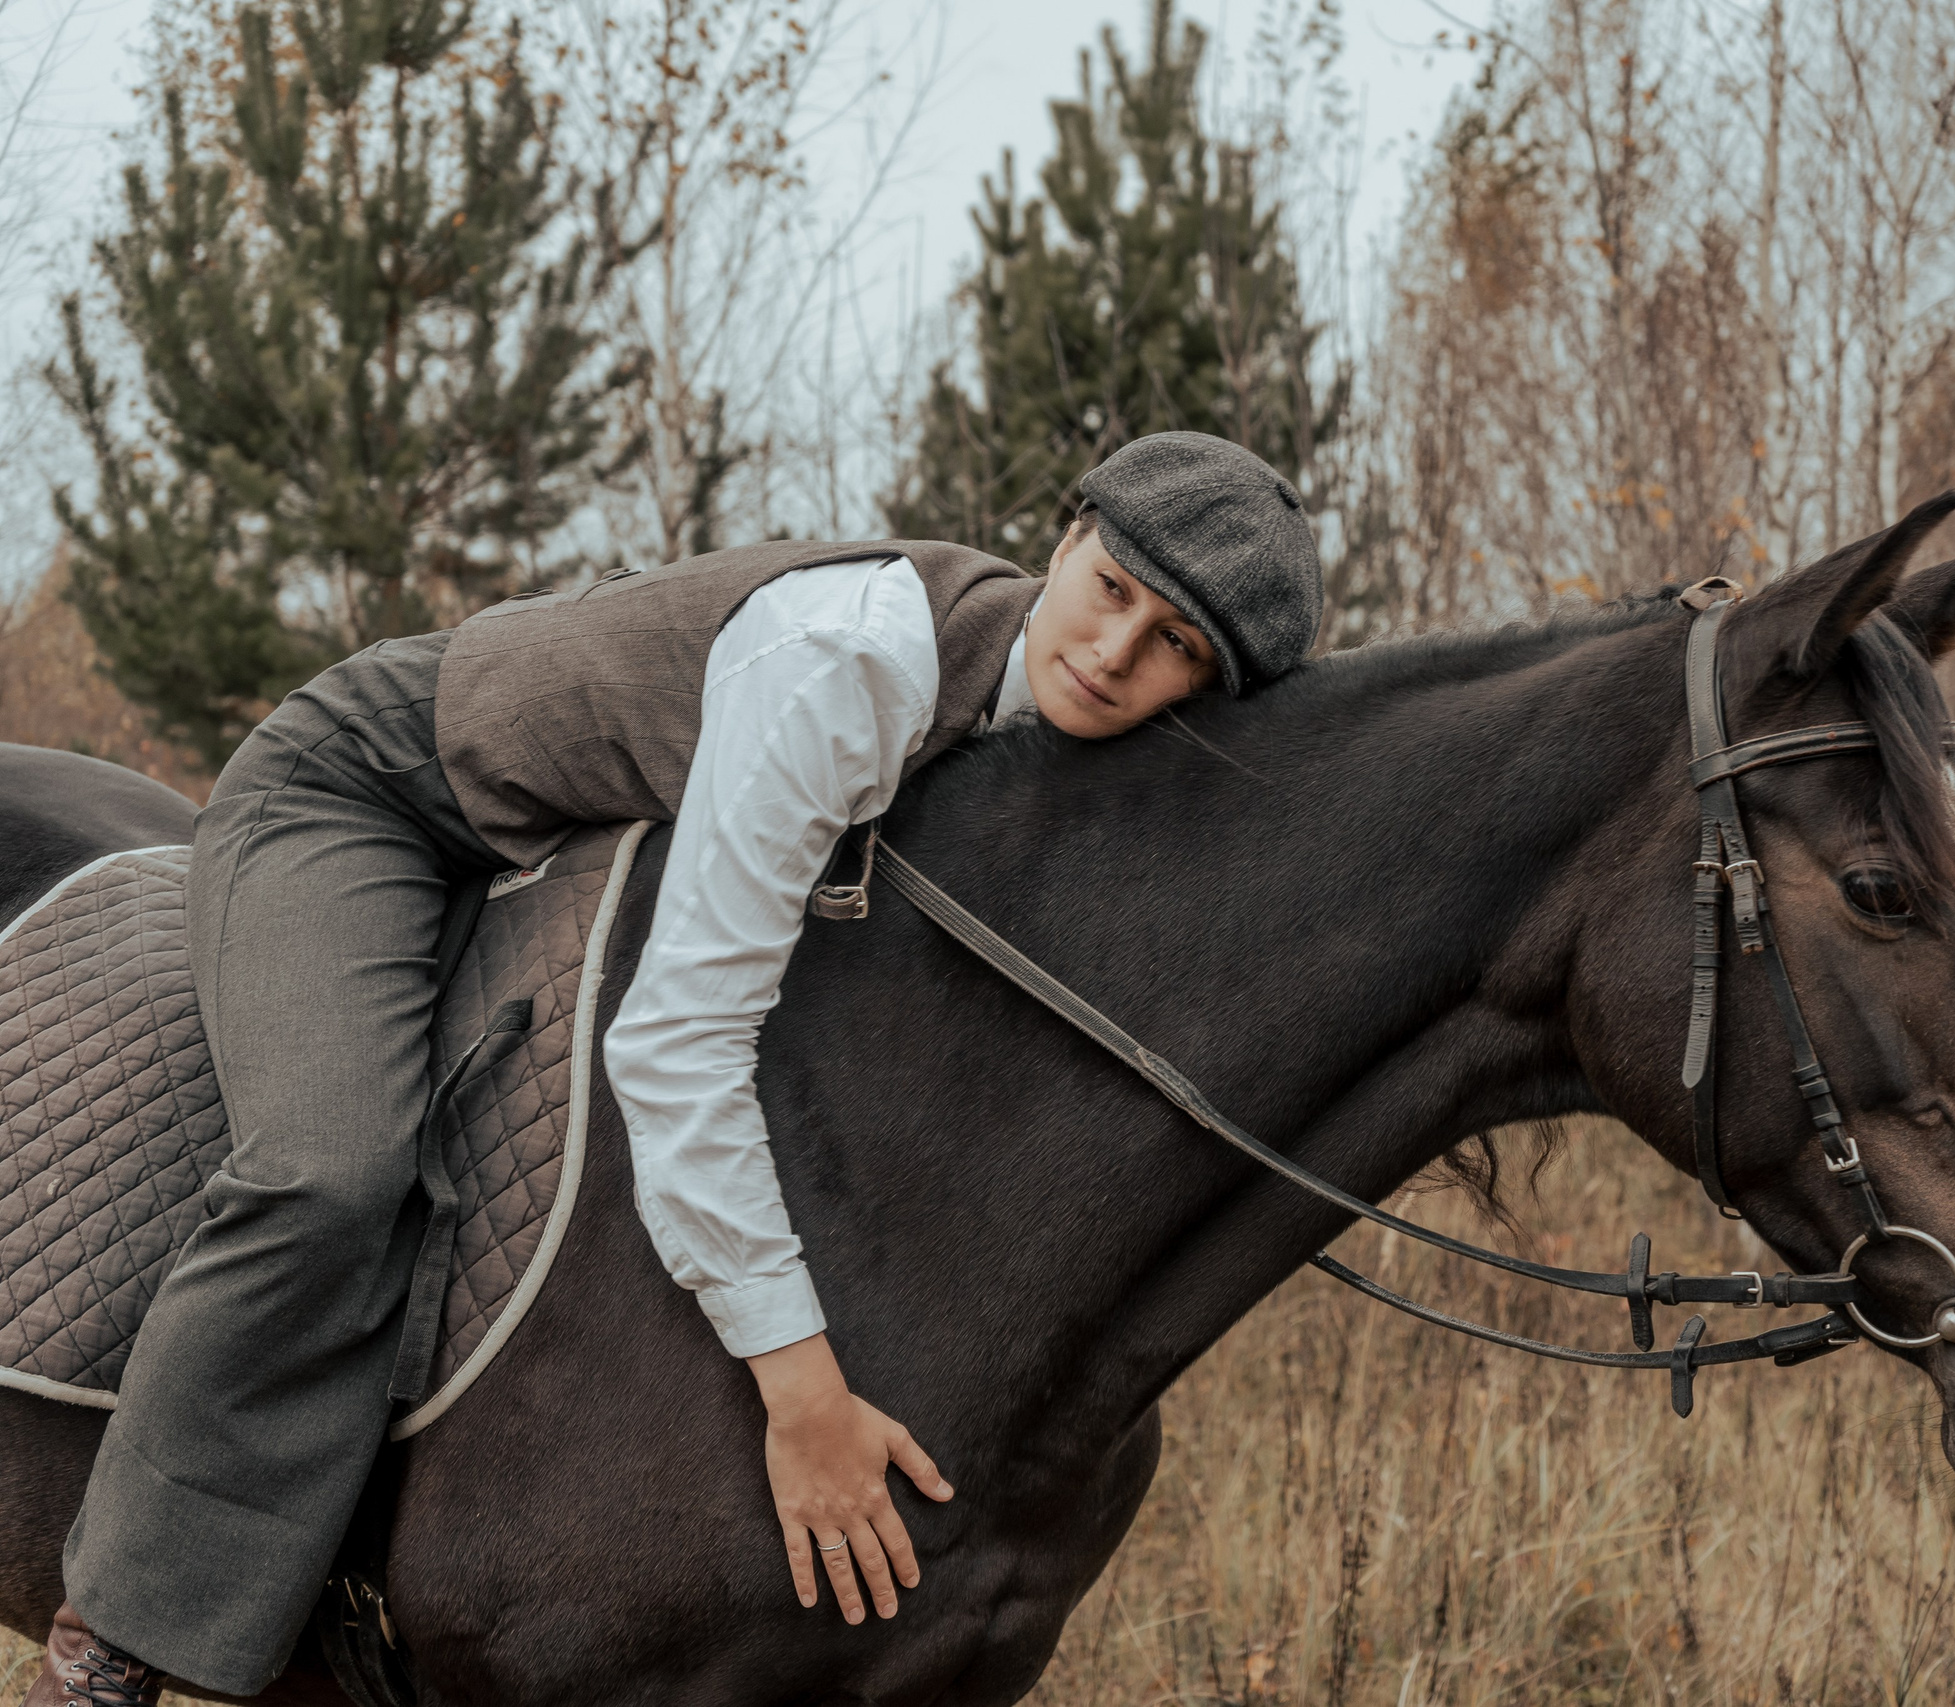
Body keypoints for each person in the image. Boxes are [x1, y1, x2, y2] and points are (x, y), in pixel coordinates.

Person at [24, 433, 1324, 1705]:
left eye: (1177, 651)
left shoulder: (1069, 737)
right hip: (375, 798)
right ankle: (114, 1639)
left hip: (558, 846)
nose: (1112, 655)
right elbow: (677, 1041)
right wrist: (803, 1394)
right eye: (1113, 595)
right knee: (331, 1168)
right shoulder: (855, 665)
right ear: (1070, 535)